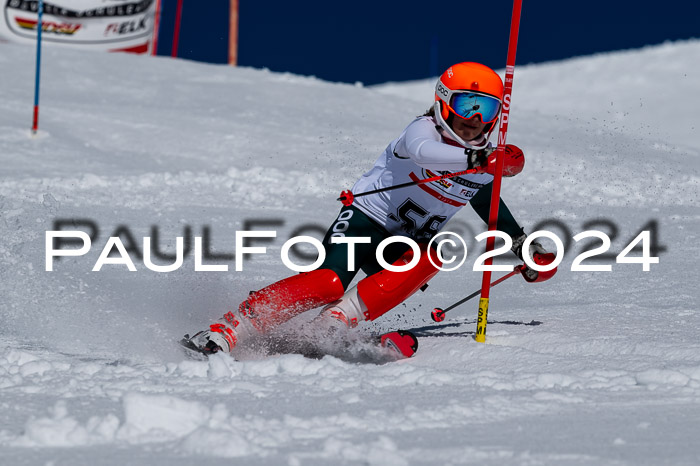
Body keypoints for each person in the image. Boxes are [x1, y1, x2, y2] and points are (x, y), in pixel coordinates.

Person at [185, 62, 554, 358]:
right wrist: (481, 158)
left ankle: (332, 324)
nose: (473, 117)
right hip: (365, 222)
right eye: (465, 104)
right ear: (443, 103)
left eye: (485, 108)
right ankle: (229, 328)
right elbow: (428, 154)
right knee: (328, 282)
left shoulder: (482, 160)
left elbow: (483, 196)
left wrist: (521, 243)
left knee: (436, 252)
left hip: (402, 247)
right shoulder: (421, 132)